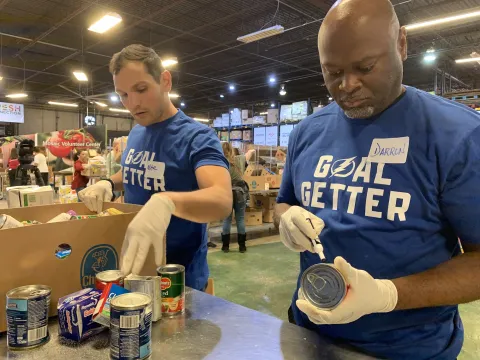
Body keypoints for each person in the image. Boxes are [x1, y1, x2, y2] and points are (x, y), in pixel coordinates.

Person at [274, 0, 480, 359]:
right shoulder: (307, 133)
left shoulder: (456, 136)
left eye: (365, 67)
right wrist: (286, 219)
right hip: (309, 334)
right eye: (332, 72)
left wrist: (387, 295)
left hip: (408, 349)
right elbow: (285, 202)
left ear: (401, 44)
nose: (347, 85)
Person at [79, 44, 232, 291]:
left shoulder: (197, 137)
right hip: (134, 270)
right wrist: (109, 183)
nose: (132, 103)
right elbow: (135, 170)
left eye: (141, 89)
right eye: (123, 95)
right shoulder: (138, 131)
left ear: (165, 81)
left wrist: (167, 202)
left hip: (178, 282)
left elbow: (222, 199)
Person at [221, 142, 249, 253]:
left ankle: (225, 246)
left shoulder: (221, 162)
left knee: (227, 220)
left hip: (227, 192)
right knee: (240, 219)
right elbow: (251, 152)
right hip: (240, 192)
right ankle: (242, 247)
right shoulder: (240, 159)